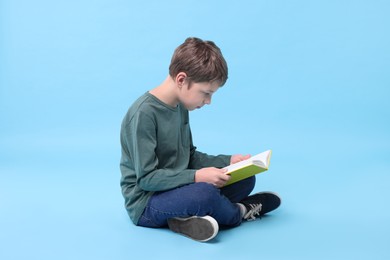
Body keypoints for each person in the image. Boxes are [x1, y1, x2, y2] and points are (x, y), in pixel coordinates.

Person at [120, 37, 281, 242]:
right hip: (147, 203)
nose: (208, 101)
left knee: (245, 178)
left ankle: (183, 219)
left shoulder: (180, 106)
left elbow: (190, 157)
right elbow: (146, 179)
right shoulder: (143, 114)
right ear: (181, 80)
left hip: (177, 188)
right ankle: (240, 212)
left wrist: (228, 161)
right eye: (205, 93)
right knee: (205, 194)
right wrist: (196, 177)